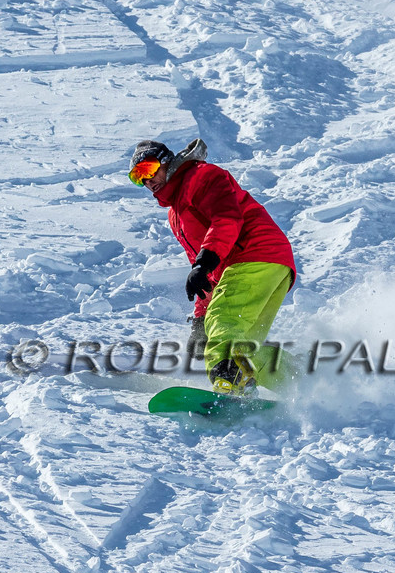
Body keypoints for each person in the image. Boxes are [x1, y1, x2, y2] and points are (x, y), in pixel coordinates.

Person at [127, 138, 296, 396]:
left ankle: (230, 383)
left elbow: (227, 219)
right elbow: (206, 272)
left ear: (166, 162)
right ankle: (301, 376)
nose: (147, 181)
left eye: (148, 169)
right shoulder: (175, 214)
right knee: (244, 344)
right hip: (267, 264)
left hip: (254, 253)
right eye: (138, 176)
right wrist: (200, 317)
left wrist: (205, 265)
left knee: (223, 320)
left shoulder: (201, 176)